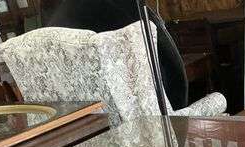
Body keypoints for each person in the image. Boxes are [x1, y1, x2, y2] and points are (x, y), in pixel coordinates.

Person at [41, 0, 188, 110]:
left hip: (81, 133)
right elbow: (174, 73)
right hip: (147, 127)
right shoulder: (124, 6)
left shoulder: (52, 21)